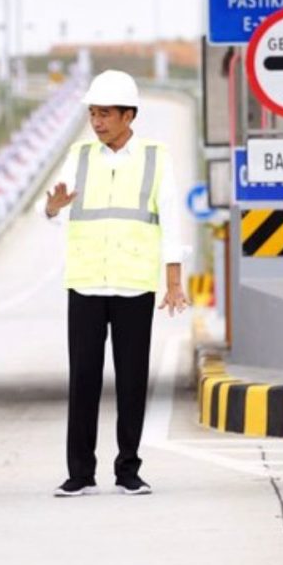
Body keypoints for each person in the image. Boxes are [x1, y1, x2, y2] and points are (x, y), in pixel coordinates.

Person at [45, 70, 187, 497]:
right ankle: (80, 473)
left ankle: (128, 469)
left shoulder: (155, 157)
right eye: (92, 113)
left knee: (131, 381)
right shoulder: (80, 155)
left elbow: (171, 221)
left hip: (133, 285)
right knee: (83, 379)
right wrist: (51, 208)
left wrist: (174, 282)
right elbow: (52, 205)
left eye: (105, 114)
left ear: (129, 115)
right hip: (86, 283)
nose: (97, 121)